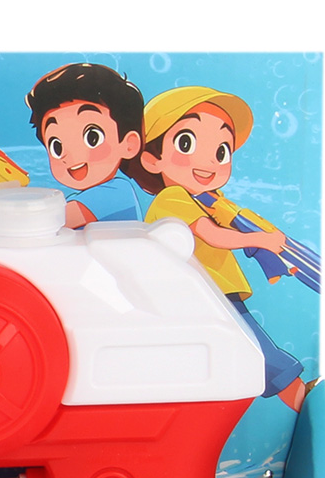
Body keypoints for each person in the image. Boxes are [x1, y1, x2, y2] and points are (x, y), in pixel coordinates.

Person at [131, 86, 308, 412]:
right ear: (152, 159)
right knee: (258, 352)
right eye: (187, 143)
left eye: (221, 150)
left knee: (250, 352)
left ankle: (298, 397)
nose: (208, 161)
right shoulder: (173, 198)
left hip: (213, 295)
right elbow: (211, 235)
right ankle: (301, 400)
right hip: (206, 296)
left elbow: (226, 224)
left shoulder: (211, 201)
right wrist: (260, 240)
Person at [24, 62, 145, 225]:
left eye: (92, 137)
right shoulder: (81, 199)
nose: (71, 155)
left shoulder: (116, 192)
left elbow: (48, 222)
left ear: (129, 144)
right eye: (56, 146)